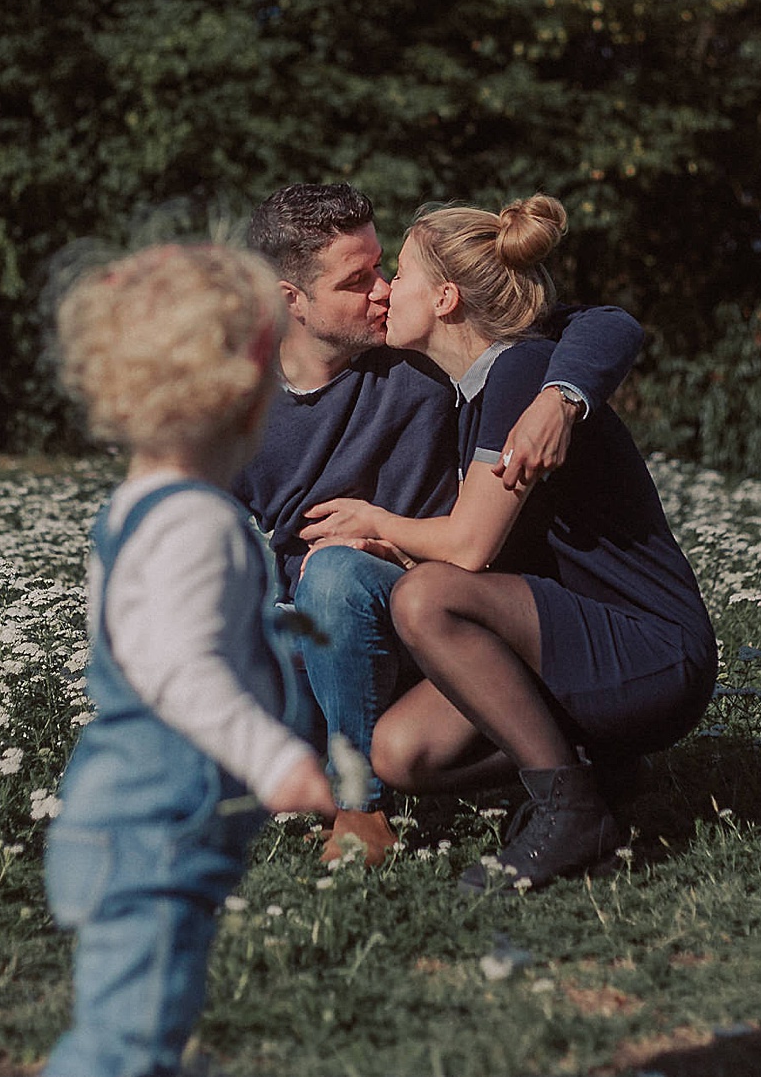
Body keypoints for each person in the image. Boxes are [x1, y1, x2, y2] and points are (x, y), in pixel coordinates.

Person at [300, 195, 716, 893]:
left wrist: (375, 522)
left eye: (399, 274)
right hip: (571, 639)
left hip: (649, 650)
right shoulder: (479, 391)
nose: (385, 290)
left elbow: (467, 550)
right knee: (400, 752)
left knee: (426, 596)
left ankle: (569, 809)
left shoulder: (523, 372)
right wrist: (394, 548)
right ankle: (594, 773)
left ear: (446, 296)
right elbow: (493, 555)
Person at [233, 184, 643, 867]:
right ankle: (576, 760)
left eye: (384, 268)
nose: (386, 290)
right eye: (358, 279)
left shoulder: (420, 356)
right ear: (289, 301)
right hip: (320, 638)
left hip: (435, 616)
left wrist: (561, 395)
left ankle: (359, 810)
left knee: (334, 574)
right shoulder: (238, 410)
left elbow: (604, 323)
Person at [42, 243, 336, 1076]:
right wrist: (275, 758)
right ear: (249, 400)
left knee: (145, 1028)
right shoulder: (199, 524)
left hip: (136, 819)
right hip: (155, 829)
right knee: (123, 1048)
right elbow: (175, 667)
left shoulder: (137, 507)